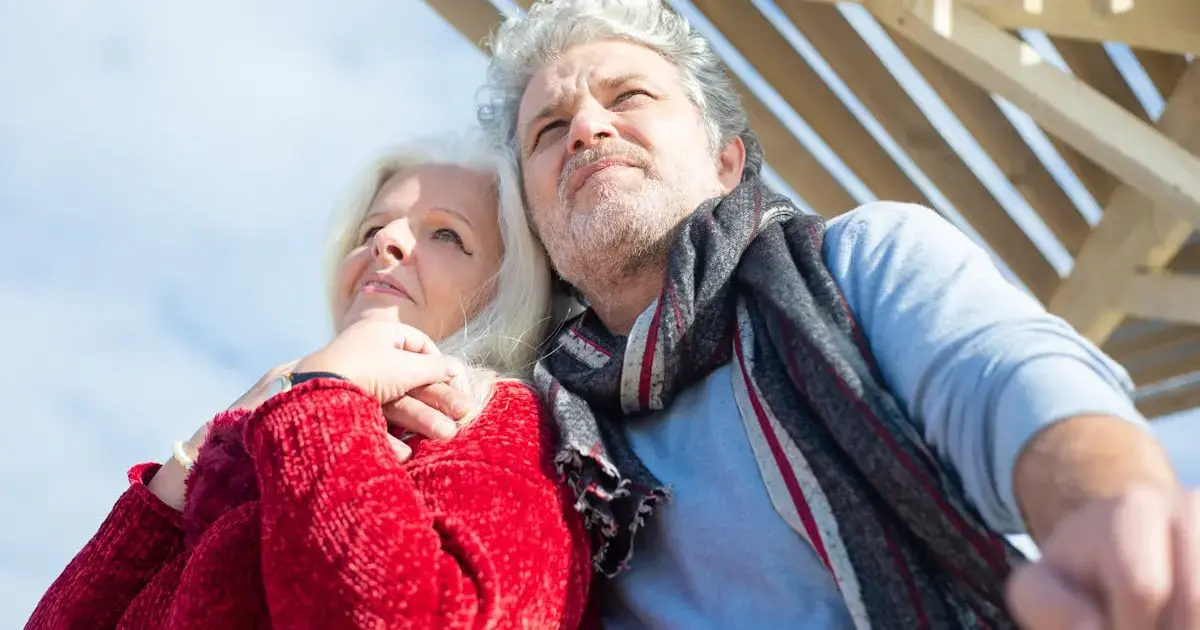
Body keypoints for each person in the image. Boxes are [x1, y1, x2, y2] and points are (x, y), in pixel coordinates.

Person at [463, 1, 1200, 628]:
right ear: (538, 229)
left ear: (726, 161)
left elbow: (1004, 373)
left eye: (627, 97)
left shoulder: (860, 259)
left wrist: (1107, 510)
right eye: (548, 131)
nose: (587, 129)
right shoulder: (529, 430)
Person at [26, 135, 594, 629]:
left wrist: (321, 395)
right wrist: (212, 441)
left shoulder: (500, 423)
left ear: (505, 288)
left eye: (446, 234)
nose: (386, 241)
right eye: (373, 226)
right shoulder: (263, 441)